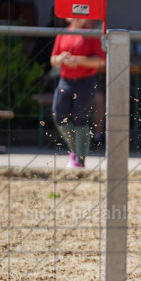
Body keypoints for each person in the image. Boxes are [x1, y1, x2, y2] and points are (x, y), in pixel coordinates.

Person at [50, 18, 106, 168]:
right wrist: (62, 58)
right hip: (65, 80)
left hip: (85, 81)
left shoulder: (91, 35)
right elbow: (53, 59)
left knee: (81, 119)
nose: (77, 17)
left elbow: (101, 60)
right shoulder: (63, 34)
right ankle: (75, 150)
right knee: (58, 114)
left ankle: (80, 161)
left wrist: (79, 60)